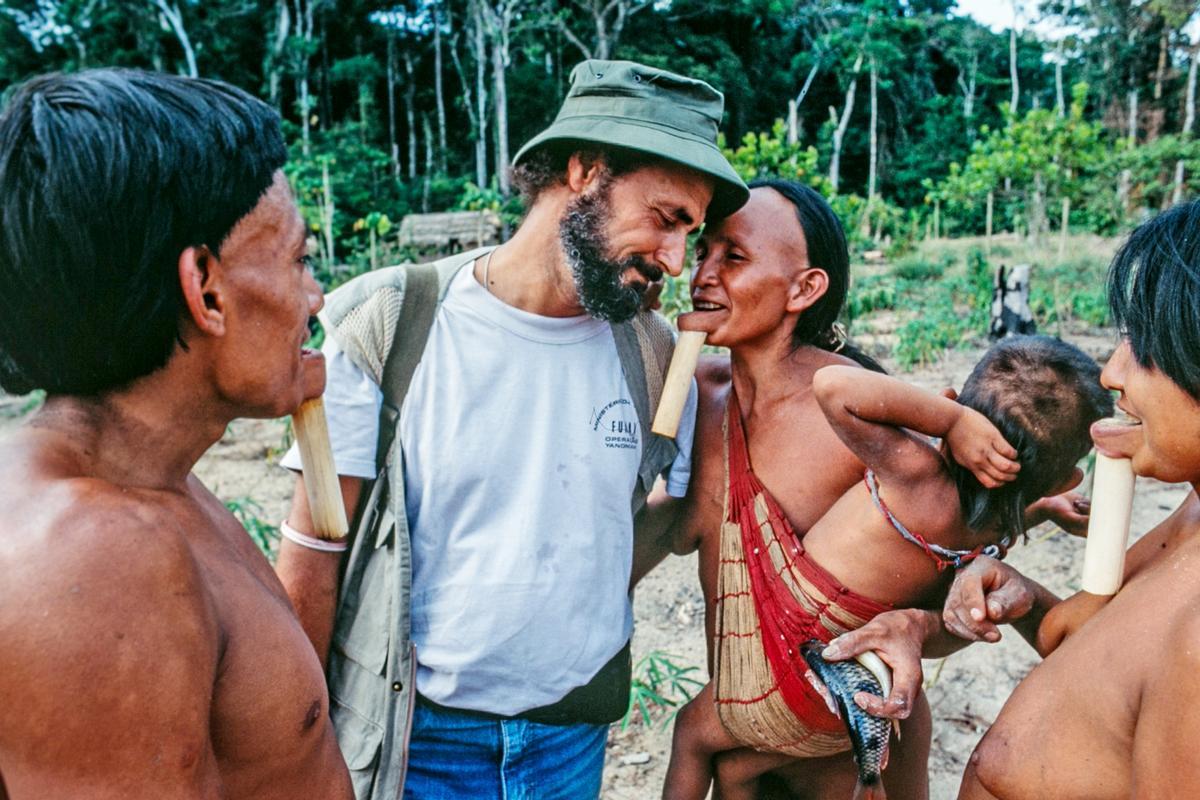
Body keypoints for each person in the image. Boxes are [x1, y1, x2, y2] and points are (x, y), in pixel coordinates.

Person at [275, 59, 749, 800]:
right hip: (414, 737)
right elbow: (313, 552)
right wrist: (296, 751)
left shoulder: (656, 355)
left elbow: (644, 520)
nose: (676, 261)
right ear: (585, 171)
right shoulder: (385, 324)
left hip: (571, 740)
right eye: (665, 220)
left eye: (691, 232)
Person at [0, 70, 351, 799]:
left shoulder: (153, 482)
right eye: (298, 259)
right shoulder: (98, 558)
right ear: (207, 290)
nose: (315, 298)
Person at [826, 200, 1200, 799]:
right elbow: (1089, 644)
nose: (1112, 372)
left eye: (1149, 346)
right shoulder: (1192, 515)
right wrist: (1017, 597)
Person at [663, 327, 1111, 799]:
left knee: (691, 735)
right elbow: (977, 530)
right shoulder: (997, 531)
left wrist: (951, 422)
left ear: (951, 398)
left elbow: (835, 388)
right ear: (1065, 482)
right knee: (737, 768)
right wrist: (1041, 510)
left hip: (788, 668)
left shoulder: (913, 473)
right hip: (850, 696)